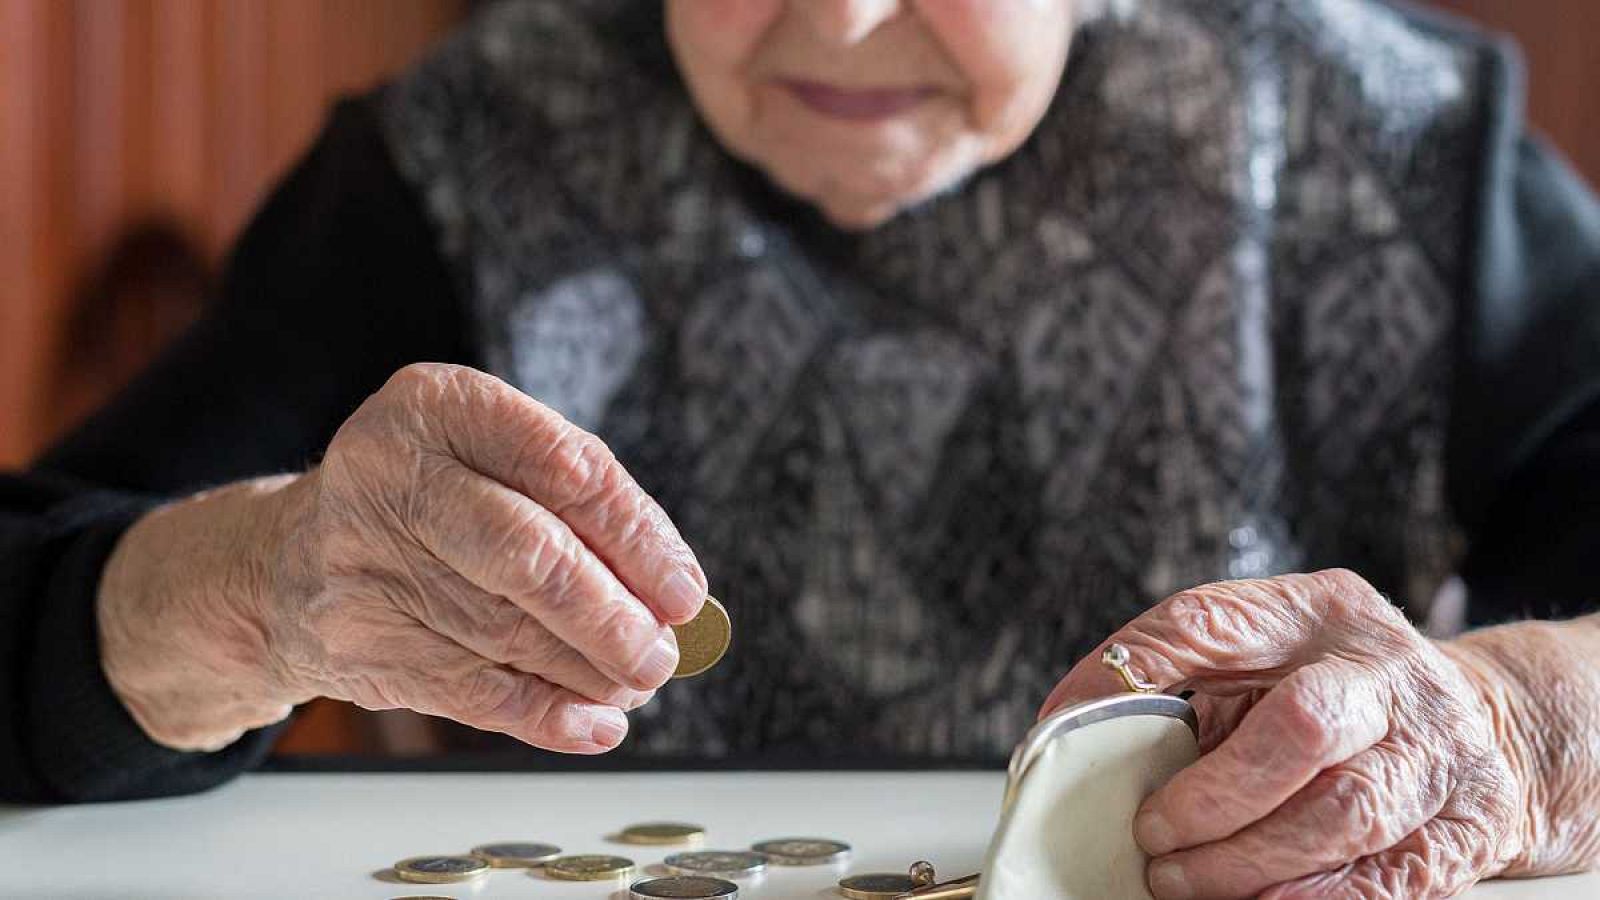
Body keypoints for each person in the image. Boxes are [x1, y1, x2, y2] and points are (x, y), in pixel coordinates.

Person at [2, 0, 1597, 895]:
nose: (836, 16)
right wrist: (254, 589)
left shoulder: (1400, 146)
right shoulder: (455, 161)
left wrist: (1520, 724)